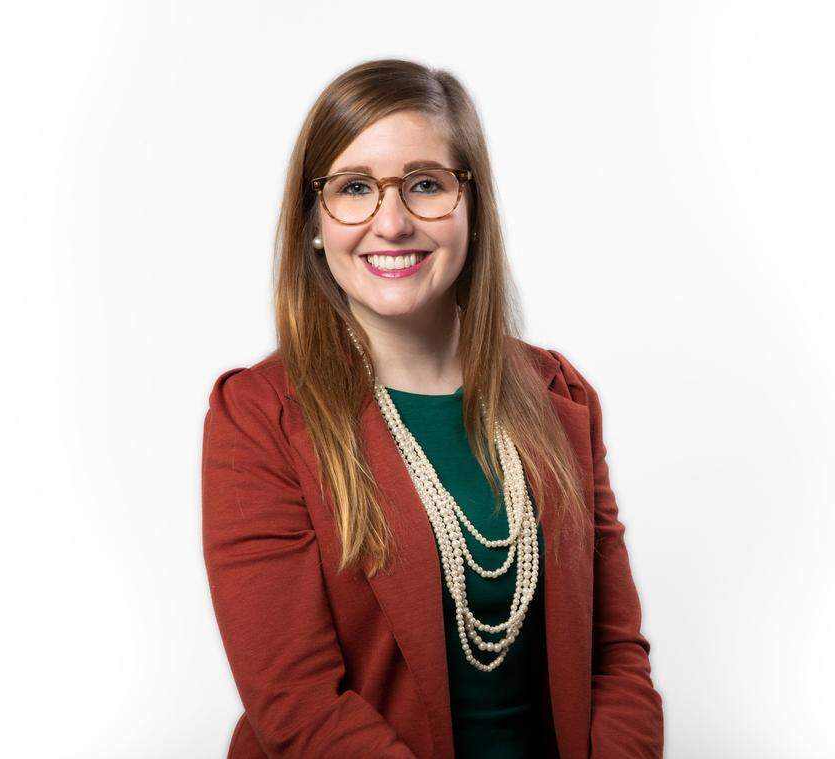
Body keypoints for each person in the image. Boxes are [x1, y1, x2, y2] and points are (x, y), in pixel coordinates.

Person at [201, 58, 663, 759]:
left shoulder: (559, 395)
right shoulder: (259, 416)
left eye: (425, 184)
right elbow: (297, 702)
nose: (392, 223)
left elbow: (615, 656)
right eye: (354, 188)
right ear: (315, 222)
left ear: (471, 207)